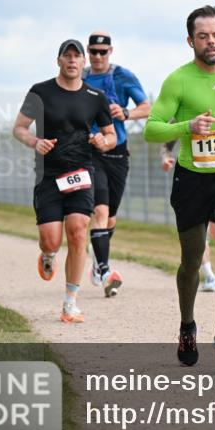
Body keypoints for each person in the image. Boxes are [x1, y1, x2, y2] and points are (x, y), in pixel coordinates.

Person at [144, 5, 215, 367]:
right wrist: (187, 127)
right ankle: (187, 326)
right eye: (202, 36)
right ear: (190, 40)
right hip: (191, 179)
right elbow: (151, 128)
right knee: (192, 259)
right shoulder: (178, 80)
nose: (210, 42)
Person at [13, 39, 116, 323]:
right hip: (48, 175)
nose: (72, 61)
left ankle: (70, 302)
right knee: (51, 240)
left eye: (76, 56)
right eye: (66, 56)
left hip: (81, 172)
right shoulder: (40, 92)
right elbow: (19, 128)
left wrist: (102, 141)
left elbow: (112, 136)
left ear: (83, 63)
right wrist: (35, 141)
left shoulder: (95, 96)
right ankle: (47, 256)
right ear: (58, 61)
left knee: (78, 230)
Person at [82, 30, 151, 298]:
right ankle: (104, 269)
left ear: (110, 52)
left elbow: (146, 107)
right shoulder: (81, 78)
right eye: (93, 52)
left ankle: (98, 261)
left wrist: (126, 112)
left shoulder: (123, 76)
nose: (97, 56)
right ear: (88, 52)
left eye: (103, 52)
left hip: (118, 152)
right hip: (90, 151)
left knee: (110, 217)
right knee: (99, 211)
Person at [160, 137, 215, 292]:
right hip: (193, 180)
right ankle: (209, 275)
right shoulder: (184, 115)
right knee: (200, 233)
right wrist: (166, 158)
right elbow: (166, 144)